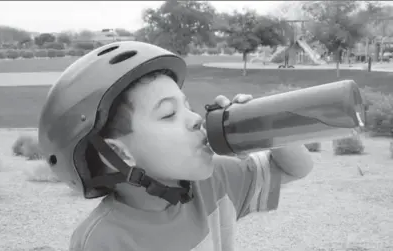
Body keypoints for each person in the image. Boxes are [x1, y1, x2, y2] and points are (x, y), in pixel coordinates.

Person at [38, 41, 314, 251]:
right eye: (169, 114)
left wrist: (264, 127)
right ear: (120, 153)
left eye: (188, 106)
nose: (195, 119)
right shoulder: (105, 241)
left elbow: (294, 168)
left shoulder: (216, 182)